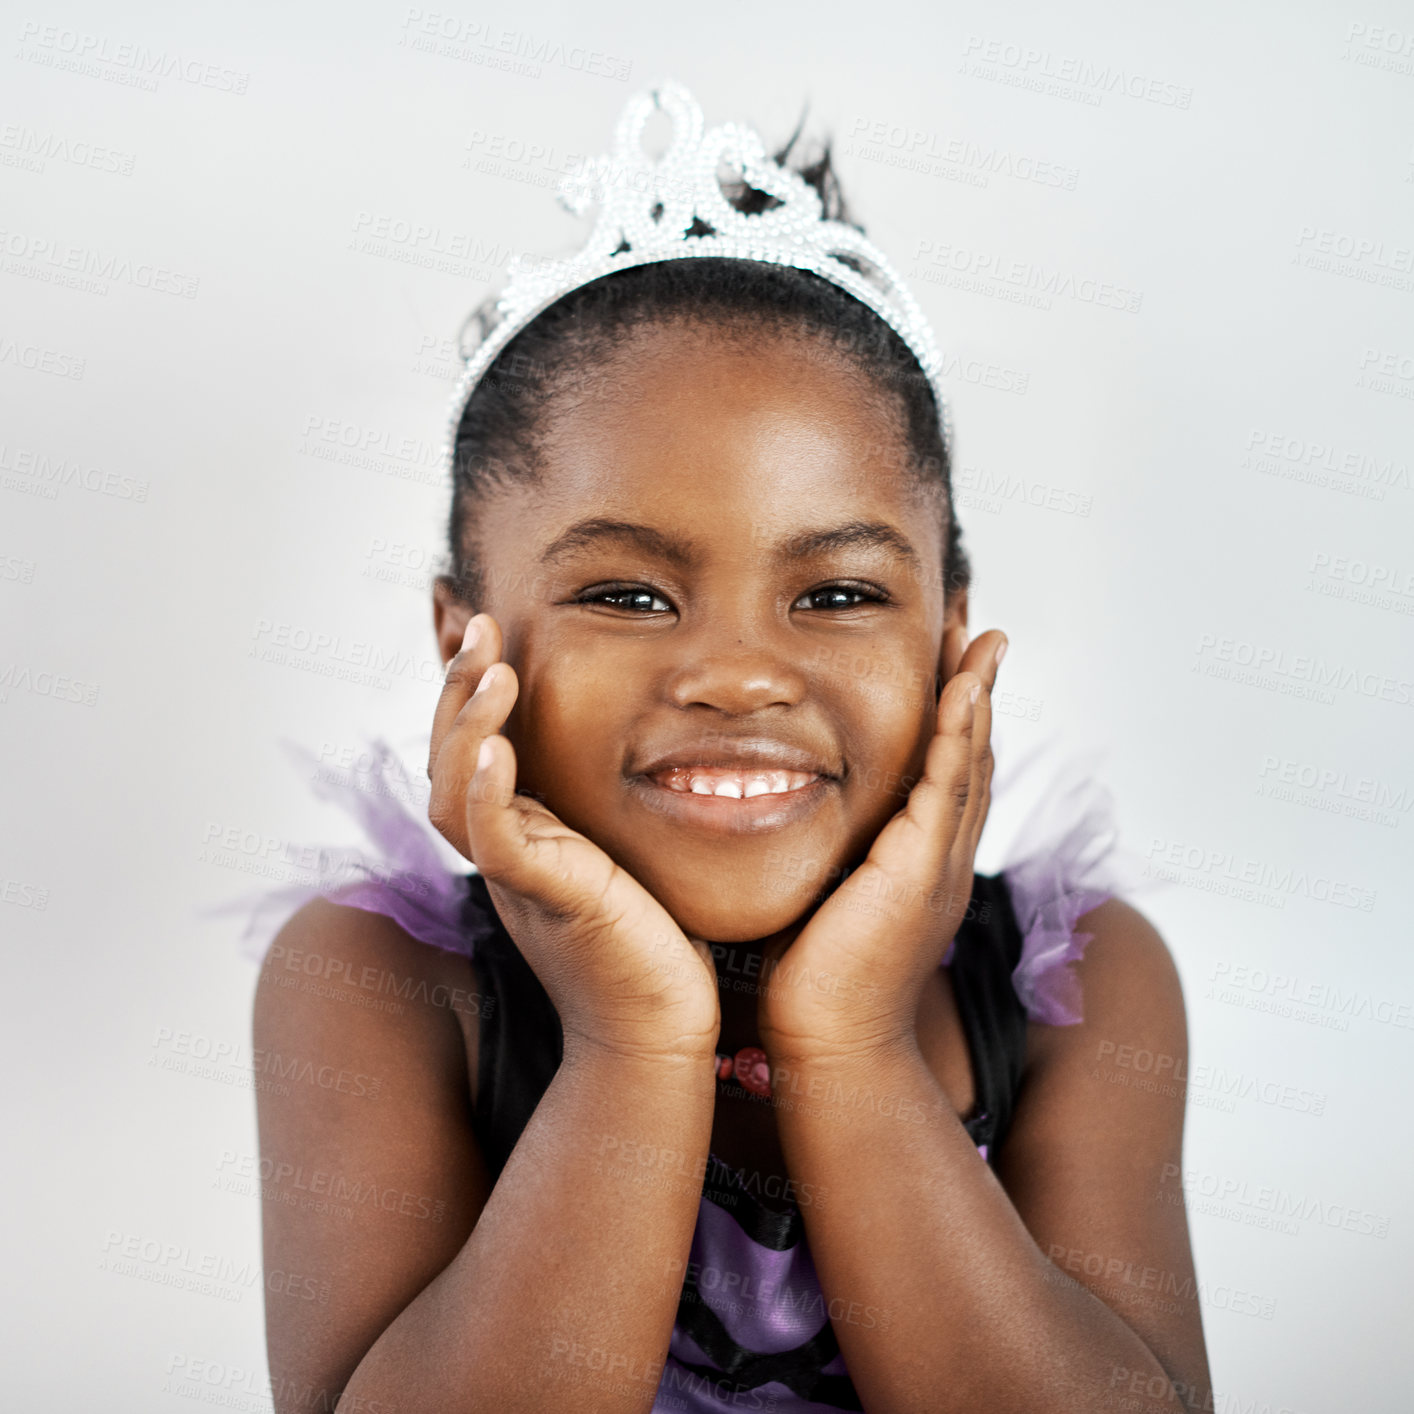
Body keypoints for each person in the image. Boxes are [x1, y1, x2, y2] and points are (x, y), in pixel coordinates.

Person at [243, 81, 1213, 1414]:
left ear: (949, 635)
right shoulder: (380, 988)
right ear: (465, 644)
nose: (738, 673)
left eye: (837, 593)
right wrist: (629, 1038)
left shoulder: (1079, 992)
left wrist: (854, 1042)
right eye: (627, 594)